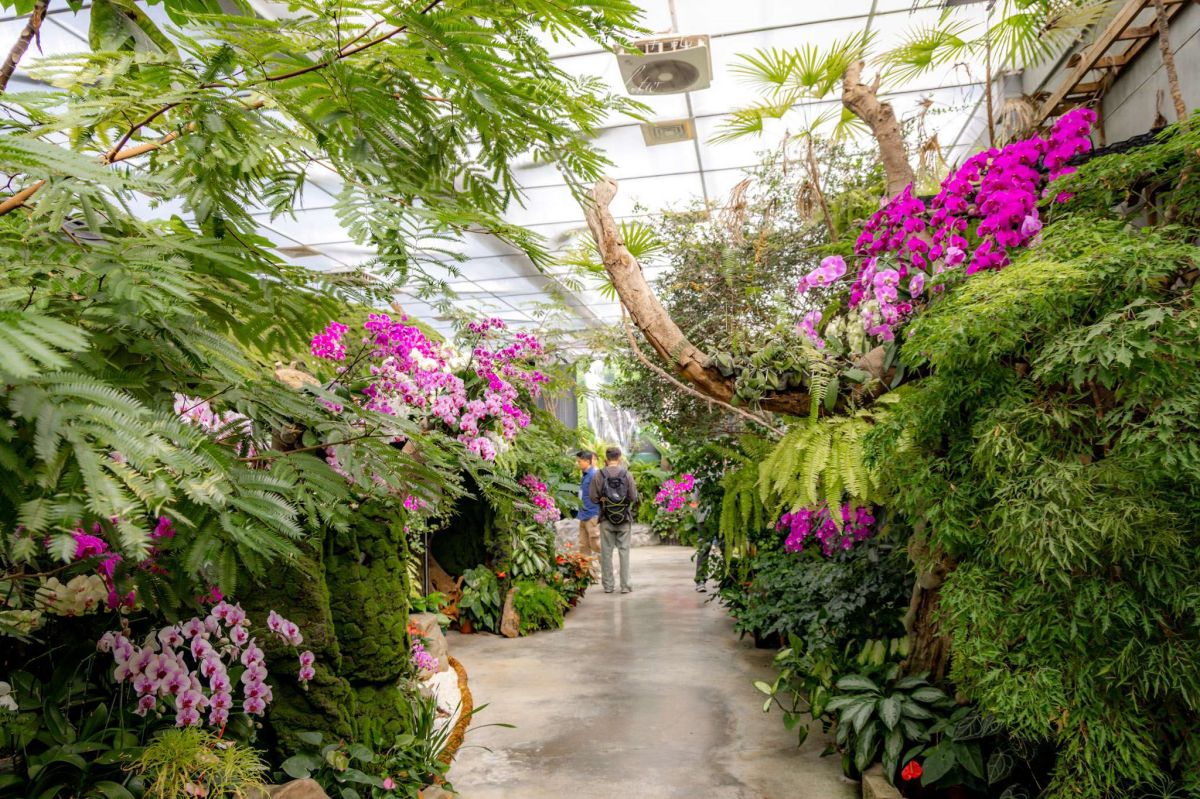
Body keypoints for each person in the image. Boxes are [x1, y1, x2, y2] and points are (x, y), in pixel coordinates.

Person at [588, 446, 639, 594]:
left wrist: (604, 500)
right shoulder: (627, 474)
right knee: (624, 552)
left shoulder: (599, 474)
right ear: (620, 457)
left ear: (606, 458)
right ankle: (625, 586)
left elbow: (592, 497)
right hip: (624, 518)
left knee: (606, 552)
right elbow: (633, 497)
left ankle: (609, 586)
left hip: (606, 518)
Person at [575, 450, 600, 574]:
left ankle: (607, 569)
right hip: (583, 515)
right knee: (583, 545)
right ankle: (588, 574)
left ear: (587, 461)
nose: (577, 463)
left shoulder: (595, 475)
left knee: (596, 544)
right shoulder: (585, 474)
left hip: (592, 515)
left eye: (579, 461)